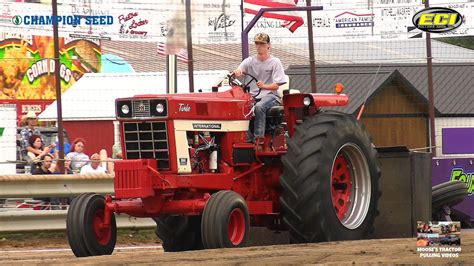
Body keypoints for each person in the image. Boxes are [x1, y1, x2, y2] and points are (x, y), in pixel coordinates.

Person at [233, 33, 288, 142]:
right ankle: (244, 138)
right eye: (257, 43)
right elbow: (238, 71)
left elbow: (276, 85)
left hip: (270, 95)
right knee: (238, 107)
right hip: (252, 96)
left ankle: (259, 139)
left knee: (259, 106)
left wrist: (264, 86)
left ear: (269, 46)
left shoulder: (275, 62)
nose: (259, 46)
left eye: (262, 44)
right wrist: (237, 72)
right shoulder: (249, 61)